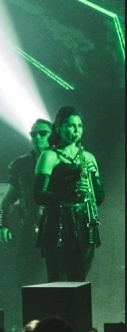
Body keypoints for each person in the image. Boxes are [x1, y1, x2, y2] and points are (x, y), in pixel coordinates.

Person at [34, 106, 104, 281]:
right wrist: (69, 190)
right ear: (59, 128)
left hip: (84, 223)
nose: (76, 130)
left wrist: (94, 179)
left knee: (78, 280)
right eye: (71, 126)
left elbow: (99, 198)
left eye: (79, 126)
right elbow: (38, 196)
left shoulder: (88, 157)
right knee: (56, 280)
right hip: (56, 222)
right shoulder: (49, 156)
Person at [0, 118, 52, 245]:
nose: (37, 137)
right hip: (29, 229)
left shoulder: (63, 163)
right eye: (33, 134)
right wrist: (2, 224)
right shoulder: (22, 164)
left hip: (58, 229)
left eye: (43, 133)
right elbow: (8, 199)